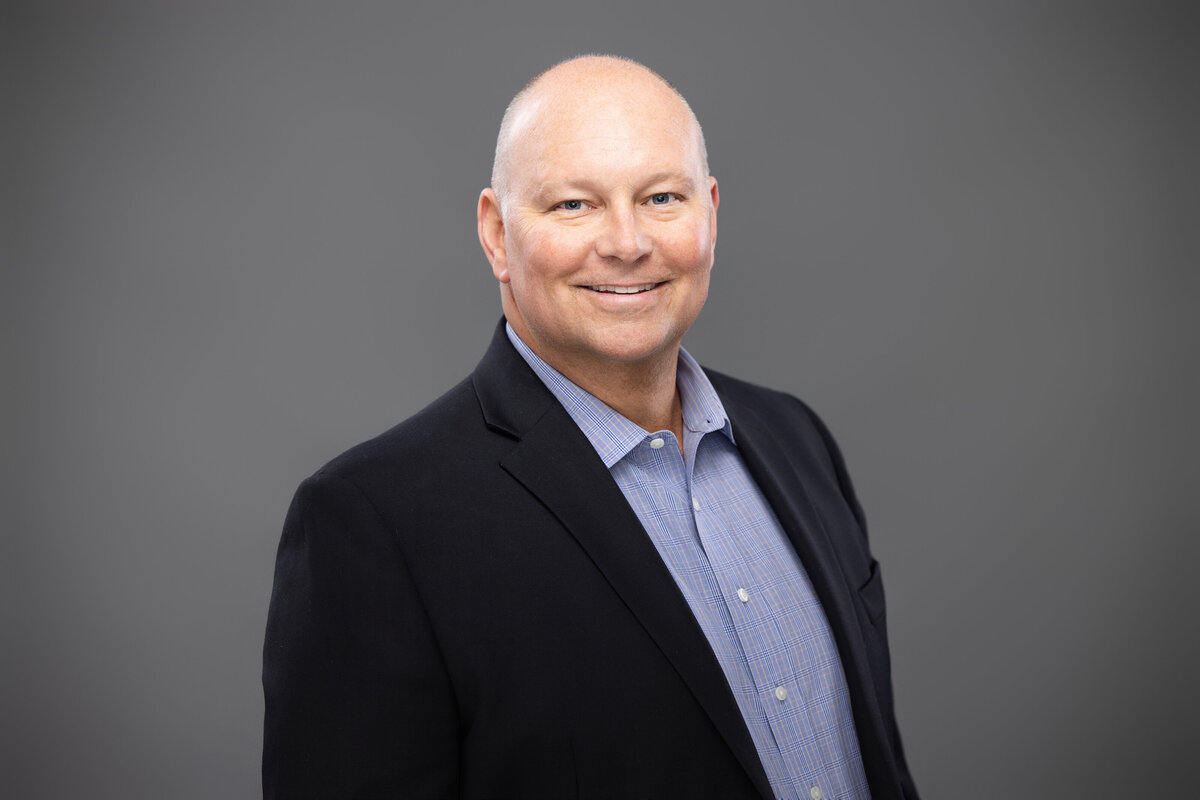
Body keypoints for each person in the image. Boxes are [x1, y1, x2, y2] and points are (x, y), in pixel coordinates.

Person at [263, 55, 919, 800]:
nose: (627, 243)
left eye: (661, 197)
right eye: (574, 205)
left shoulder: (797, 440)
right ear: (496, 235)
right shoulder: (373, 523)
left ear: (710, 212)